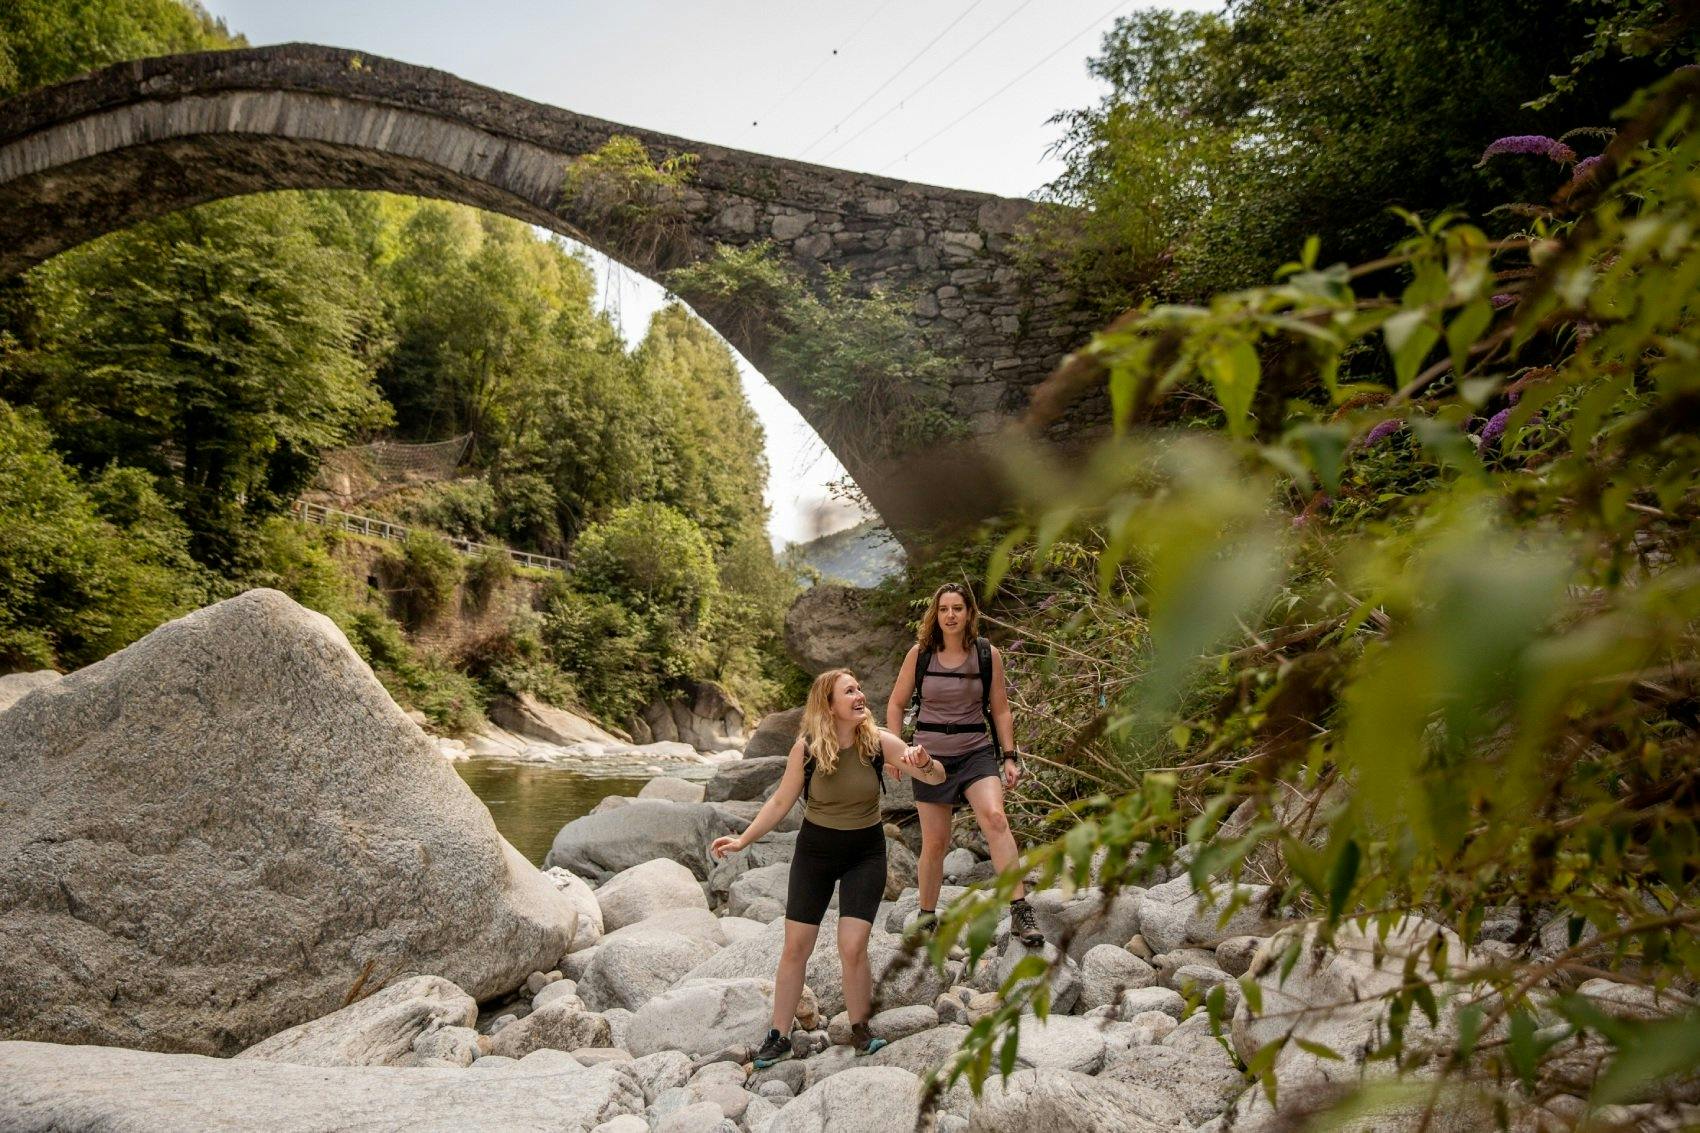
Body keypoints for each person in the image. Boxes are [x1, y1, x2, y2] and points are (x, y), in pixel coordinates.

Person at [711, 667, 946, 1069]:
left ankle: (860, 1030)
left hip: (865, 853)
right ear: (829, 704)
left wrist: (924, 763)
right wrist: (743, 840)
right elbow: (780, 803)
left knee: (853, 946)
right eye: (849, 691)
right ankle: (779, 1036)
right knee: (795, 947)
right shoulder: (806, 749)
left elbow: (937, 777)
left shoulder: (877, 744)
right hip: (815, 854)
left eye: (859, 688)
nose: (859, 696)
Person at [885, 582, 1044, 949]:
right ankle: (927, 916)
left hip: (975, 752)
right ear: (935, 615)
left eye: (958, 608)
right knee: (935, 842)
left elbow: (1001, 708)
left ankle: (1021, 911)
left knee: (995, 818)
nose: (951, 615)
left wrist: (1009, 756)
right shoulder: (920, 654)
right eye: (944, 609)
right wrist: (895, 752)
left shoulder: (987, 655)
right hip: (929, 758)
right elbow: (896, 704)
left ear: (969, 613)